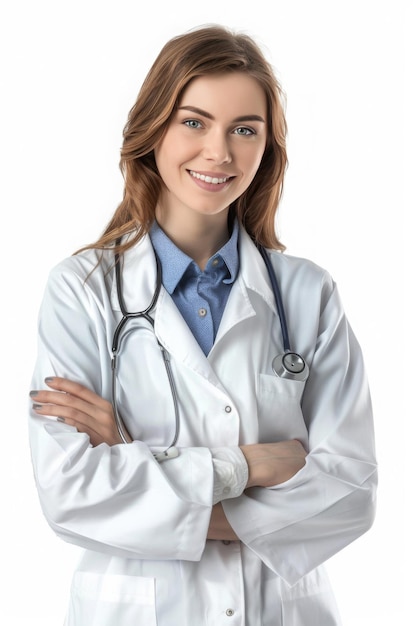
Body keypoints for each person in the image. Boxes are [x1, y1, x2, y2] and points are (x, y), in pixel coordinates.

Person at [28, 24, 377, 626]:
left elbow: (350, 491)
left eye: (245, 129)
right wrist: (254, 467)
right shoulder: (82, 290)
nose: (219, 152)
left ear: (267, 146)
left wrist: (136, 460)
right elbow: (72, 495)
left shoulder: (306, 294)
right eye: (194, 122)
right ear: (153, 128)